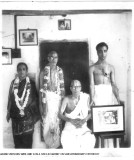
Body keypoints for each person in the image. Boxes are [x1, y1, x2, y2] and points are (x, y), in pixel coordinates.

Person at [89, 42, 120, 147]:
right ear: (97, 52)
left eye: (105, 51)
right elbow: (91, 85)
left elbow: (114, 84)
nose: (103, 53)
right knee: (99, 122)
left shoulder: (111, 67)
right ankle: (100, 148)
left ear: (107, 52)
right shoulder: (92, 68)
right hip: (98, 96)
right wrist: (92, 98)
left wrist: (118, 98)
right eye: (100, 51)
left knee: (110, 122)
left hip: (108, 96)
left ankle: (110, 148)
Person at [6, 62, 40, 148]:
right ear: (17, 71)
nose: (21, 71)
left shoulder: (31, 83)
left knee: (27, 144)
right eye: (19, 69)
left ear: (26, 71)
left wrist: (26, 110)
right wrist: (8, 112)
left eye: (23, 69)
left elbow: (34, 99)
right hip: (15, 116)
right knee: (17, 143)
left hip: (28, 117)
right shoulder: (13, 83)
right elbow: (10, 98)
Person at [59, 80, 96, 149]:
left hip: (83, 126)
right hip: (69, 127)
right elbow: (60, 114)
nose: (76, 89)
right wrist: (71, 120)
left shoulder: (86, 97)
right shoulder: (66, 99)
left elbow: (92, 112)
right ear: (70, 88)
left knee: (89, 140)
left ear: (81, 88)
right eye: (73, 87)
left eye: (78, 87)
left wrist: (84, 120)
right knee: (68, 141)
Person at [39, 51, 65, 149]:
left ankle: (56, 145)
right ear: (48, 58)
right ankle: (50, 146)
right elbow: (41, 90)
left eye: (56, 57)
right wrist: (41, 105)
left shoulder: (60, 71)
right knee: (47, 122)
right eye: (51, 57)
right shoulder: (43, 72)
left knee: (57, 121)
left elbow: (62, 89)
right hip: (47, 100)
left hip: (57, 99)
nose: (54, 59)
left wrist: (62, 104)